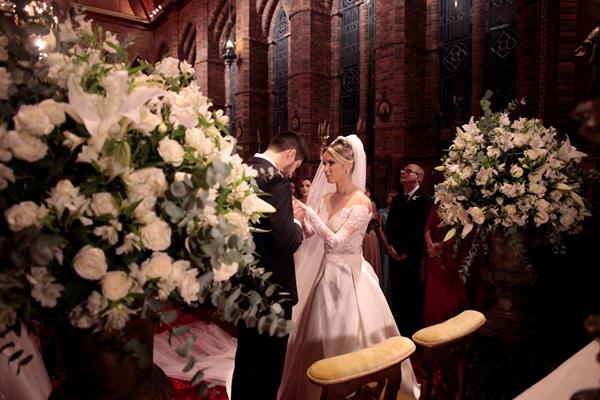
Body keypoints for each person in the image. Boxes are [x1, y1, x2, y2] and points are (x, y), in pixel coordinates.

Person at [278, 135, 420, 400]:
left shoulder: (361, 202)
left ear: (348, 164)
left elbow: (336, 241)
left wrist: (310, 213)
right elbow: (310, 233)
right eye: (324, 163)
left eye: (331, 163)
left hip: (351, 279)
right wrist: (297, 220)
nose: (325, 169)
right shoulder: (325, 199)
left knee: (356, 337)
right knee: (317, 338)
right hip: (326, 277)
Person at [231, 131, 308, 400]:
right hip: (271, 290)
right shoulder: (275, 180)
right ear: (290, 154)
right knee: (267, 367)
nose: (292, 173)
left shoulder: (242, 170)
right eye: (295, 166)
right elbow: (286, 242)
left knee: (246, 360)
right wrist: (297, 222)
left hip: (244, 285)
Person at [386, 163, 433, 337]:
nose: (402, 172)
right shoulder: (397, 199)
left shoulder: (425, 200)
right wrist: (391, 247)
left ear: (418, 178)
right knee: (397, 294)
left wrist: (405, 251)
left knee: (412, 296)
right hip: (395, 255)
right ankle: (398, 333)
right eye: (402, 170)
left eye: (408, 171)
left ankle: (413, 334)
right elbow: (390, 225)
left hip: (412, 257)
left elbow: (419, 229)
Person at [378, 190, 397, 301]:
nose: (393, 198)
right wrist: (386, 244)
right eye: (391, 196)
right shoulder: (382, 212)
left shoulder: (398, 212)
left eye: (395, 196)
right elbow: (379, 228)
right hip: (385, 243)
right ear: (386, 198)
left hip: (396, 244)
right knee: (385, 269)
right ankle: (384, 295)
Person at [362, 186, 382, 281]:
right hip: (361, 235)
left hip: (369, 234)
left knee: (370, 258)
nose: (365, 193)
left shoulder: (372, 204)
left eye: (366, 191)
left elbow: (375, 221)